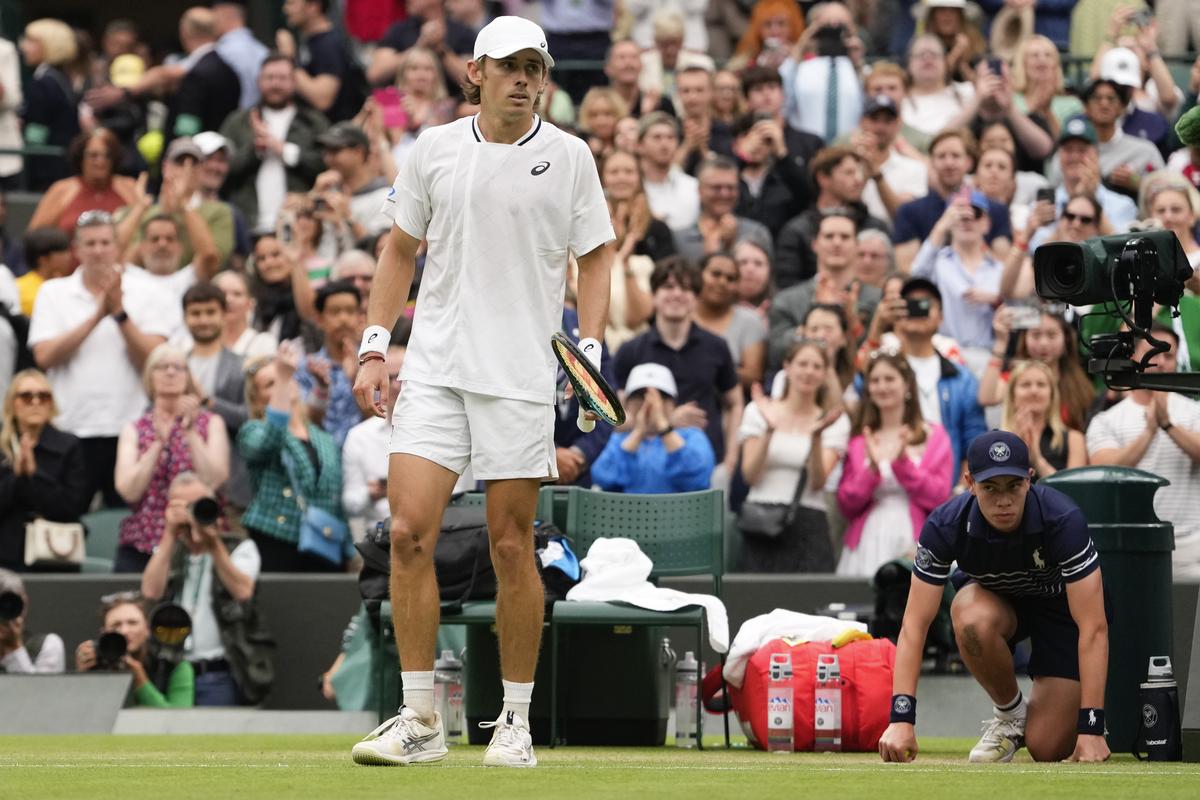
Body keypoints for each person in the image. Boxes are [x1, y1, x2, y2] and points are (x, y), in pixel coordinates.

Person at [349, 17, 616, 767]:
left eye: (536, 66)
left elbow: (595, 258)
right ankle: (419, 720)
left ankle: (516, 722)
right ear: (477, 72)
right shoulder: (432, 148)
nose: (525, 79)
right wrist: (377, 347)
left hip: (520, 378)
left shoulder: (570, 157)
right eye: (510, 67)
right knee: (406, 535)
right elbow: (399, 250)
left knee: (508, 546)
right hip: (433, 371)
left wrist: (587, 350)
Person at [879, 430, 1111, 764]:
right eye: (990, 488)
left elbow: (1094, 627)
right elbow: (914, 625)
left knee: (1047, 747)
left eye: (1013, 486)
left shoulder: (1063, 520)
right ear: (970, 482)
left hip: (1064, 614)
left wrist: (1092, 728)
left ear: (1030, 480)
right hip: (1000, 606)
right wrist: (901, 720)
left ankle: (1086, 709)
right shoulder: (945, 525)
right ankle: (1011, 714)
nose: (1003, 500)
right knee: (969, 615)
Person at [28, 212, 175, 508]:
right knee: (62, 523)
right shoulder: (53, 292)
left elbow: (156, 360)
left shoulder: (150, 291)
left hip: (131, 429)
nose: (97, 250)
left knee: (127, 524)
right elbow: (44, 357)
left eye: (105, 242)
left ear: (118, 246)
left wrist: (119, 314)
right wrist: (97, 315)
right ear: (76, 249)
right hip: (68, 427)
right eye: (90, 243)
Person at [140, 472, 263, 706]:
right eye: (184, 506)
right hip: (172, 668)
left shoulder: (239, 547)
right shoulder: (171, 551)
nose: (191, 513)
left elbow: (243, 592)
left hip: (216, 673)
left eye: (198, 505)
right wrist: (169, 534)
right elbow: (150, 592)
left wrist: (213, 543)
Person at [1086, 327, 1200, 578]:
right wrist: (1149, 432)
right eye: (1152, 354)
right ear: (1133, 358)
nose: (1160, 362)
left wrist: (1168, 425)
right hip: (1133, 544)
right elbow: (1106, 471)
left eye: (1169, 356)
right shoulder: (1107, 419)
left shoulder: (1194, 411)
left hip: (1192, 543)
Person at [615, 258, 742, 480]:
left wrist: (731, 459)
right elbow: (616, 419)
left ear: (696, 298)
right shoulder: (631, 350)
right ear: (654, 296)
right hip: (644, 469)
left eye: (685, 288)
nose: (676, 294)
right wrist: (668, 420)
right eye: (668, 287)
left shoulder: (716, 347)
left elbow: (735, 403)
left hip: (704, 465)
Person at [860, 277, 986, 489]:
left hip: (943, 489)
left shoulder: (961, 378)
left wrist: (959, 492)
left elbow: (973, 441)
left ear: (941, 317)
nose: (917, 310)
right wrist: (878, 326)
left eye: (926, 304)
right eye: (909, 304)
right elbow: (859, 388)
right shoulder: (882, 370)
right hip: (884, 485)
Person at [114, 344, 230, 573]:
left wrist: (191, 433)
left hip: (200, 536)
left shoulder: (210, 423)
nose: (170, 372)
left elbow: (215, 482)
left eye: (178, 367)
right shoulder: (135, 429)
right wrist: (157, 444)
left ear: (188, 376)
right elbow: (128, 490)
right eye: (162, 367)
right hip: (144, 540)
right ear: (150, 376)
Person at [837, 350, 953, 577]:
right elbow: (846, 504)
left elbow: (939, 496)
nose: (882, 387)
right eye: (875, 380)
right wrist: (870, 471)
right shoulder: (860, 440)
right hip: (868, 537)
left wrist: (903, 465)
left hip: (915, 537)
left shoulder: (933, 436)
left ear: (907, 385)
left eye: (889, 379)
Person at [739, 338, 849, 572]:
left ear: (825, 374)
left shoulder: (834, 422)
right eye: (802, 364)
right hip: (761, 519)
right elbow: (749, 475)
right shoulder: (758, 411)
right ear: (787, 367)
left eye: (817, 366)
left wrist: (816, 437)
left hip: (809, 521)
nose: (808, 372)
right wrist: (769, 430)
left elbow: (819, 482)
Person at [239, 343, 346, 573]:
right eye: (272, 383)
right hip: (276, 541)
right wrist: (283, 377)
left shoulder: (322, 437)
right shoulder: (252, 431)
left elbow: (335, 497)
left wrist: (347, 549)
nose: (283, 384)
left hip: (323, 543)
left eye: (286, 378)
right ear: (259, 401)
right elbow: (272, 438)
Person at [220, 52, 331, 236]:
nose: (275, 84)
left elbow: (327, 166)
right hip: (249, 224)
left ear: (294, 82)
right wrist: (255, 150)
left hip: (300, 226)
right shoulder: (237, 122)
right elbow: (221, 171)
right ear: (258, 81)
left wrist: (284, 150)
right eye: (269, 78)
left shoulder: (313, 122)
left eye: (282, 78)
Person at [768, 211, 882, 373]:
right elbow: (776, 353)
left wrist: (853, 322)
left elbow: (884, 356)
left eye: (845, 237)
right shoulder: (787, 301)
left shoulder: (877, 299)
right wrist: (815, 318)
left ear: (857, 245)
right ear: (815, 244)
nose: (837, 243)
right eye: (829, 236)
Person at [0, 371, 90, 572]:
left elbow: (73, 505)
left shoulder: (69, 445)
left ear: (51, 404)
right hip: (5, 554)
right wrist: (17, 476)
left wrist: (34, 476)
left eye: (43, 396)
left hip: (56, 553)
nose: (35, 402)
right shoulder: (1, 446)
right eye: (26, 396)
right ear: (12, 404)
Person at [910, 189, 1004, 376]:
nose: (967, 218)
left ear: (986, 223)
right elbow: (915, 278)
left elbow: (1017, 308)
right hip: (946, 351)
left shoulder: (999, 269)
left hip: (986, 354)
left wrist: (996, 300)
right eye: (959, 213)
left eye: (976, 214)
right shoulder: (938, 261)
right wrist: (941, 227)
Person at [775, 145, 888, 288]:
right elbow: (787, 285)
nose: (858, 180)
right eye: (849, 173)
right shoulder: (796, 231)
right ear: (823, 178)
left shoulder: (875, 226)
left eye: (860, 173)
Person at [591, 363, 714, 493]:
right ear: (627, 404)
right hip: (628, 512)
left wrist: (663, 427)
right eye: (639, 396)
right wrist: (638, 433)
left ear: (673, 403)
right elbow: (602, 477)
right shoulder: (617, 439)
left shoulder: (692, 435)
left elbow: (698, 479)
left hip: (678, 512)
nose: (649, 403)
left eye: (661, 396)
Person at [980, 309, 1095, 433]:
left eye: (1052, 335)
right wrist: (1001, 342)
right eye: (1036, 335)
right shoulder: (1017, 376)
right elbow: (987, 398)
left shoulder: (1080, 381)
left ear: (1066, 340)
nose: (1043, 343)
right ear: (1025, 339)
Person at [74, 594, 195, 707]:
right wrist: (83, 677)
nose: (125, 631)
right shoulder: (97, 661)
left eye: (132, 623)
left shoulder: (174, 665)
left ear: (147, 629)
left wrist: (141, 682)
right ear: (104, 633)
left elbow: (178, 720)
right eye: (116, 625)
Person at [27, 129, 138, 237]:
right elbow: (35, 237)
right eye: (93, 155)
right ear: (81, 158)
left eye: (107, 156)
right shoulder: (62, 190)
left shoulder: (128, 187)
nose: (100, 161)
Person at [342, 345, 406, 533]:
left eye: (402, 378)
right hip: (377, 538)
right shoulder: (359, 436)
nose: (395, 385)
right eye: (390, 378)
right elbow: (350, 505)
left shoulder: (435, 431)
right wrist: (371, 494)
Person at [295, 280, 365, 447]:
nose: (343, 319)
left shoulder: (375, 362)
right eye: (335, 312)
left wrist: (357, 376)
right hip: (323, 458)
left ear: (360, 316)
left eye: (350, 311)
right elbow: (306, 423)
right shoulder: (307, 368)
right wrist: (321, 388)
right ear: (319, 319)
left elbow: (381, 421)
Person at [674, 155, 773, 266]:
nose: (724, 194)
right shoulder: (679, 238)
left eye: (730, 188)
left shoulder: (757, 234)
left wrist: (730, 246)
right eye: (716, 188)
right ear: (699, 190)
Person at [161, 8, 241, 145]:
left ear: (185, 31)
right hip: (221, 153)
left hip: (196, 156)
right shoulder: (230, 71)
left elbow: (186, 129)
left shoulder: (196, 75)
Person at [278, 0, 365, 123]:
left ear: (313, 6)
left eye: (291, 3)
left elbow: (323, 99)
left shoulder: (328, 45)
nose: (286, 10)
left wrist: (289, 60)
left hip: (336, 131)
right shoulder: (311, 40)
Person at [18, 19, 80, 190]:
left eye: (32, 41)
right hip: (60, 164)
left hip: (47, 170)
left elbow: (36, 133)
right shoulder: (58, 78)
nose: (24, 47)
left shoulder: (44, 82)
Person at [1001, 360, 1088, 480]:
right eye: (1026, 384)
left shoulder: (1074, 439)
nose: (1034, 391)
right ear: (1012, 395)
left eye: (1041, 384)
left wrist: (1037, 460)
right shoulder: (996, 441)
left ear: (1052, 395)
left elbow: (1072, 492)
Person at [693, 252, 766, 393]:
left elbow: (753, 375)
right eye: (715, 274)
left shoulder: (750, 321)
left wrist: (703, 367)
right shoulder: (681, 315)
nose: (722, 282)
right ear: (698, 276)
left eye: (730, 278)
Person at [900, 34, 974, 139]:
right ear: (908, 64)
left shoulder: (968, 92)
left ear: (945, 62)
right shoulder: (897, 99)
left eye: (934, 54)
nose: (927, 58)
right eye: (920, 55)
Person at [638, 112, 701, 231]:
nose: (664, 144)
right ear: (640, 145)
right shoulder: (632, 188)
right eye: (657, 137)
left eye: (670, 137)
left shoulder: (693, 186)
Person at [0, 569, 65, 672]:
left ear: (24, 604)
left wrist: (14, 648)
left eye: (10, 602)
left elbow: (40, 688)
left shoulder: (47, 645)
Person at [213, 0, 268, 110]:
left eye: (214, 17)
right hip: (260, 118)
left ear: (225, 14)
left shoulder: (221, 52)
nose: (211, 23)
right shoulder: (263, 50)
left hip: (231, 119)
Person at [212, 270, 279, 359]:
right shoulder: (195, 343)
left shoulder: (263, 342)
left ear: (250, 304)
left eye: (237, 294)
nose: (228, 299)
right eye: (222, 293)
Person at [15, 229, 71, 317]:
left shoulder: (66, 285)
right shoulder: (23, 291)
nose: (68, 256)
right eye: (62, 252)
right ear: (43, 259)